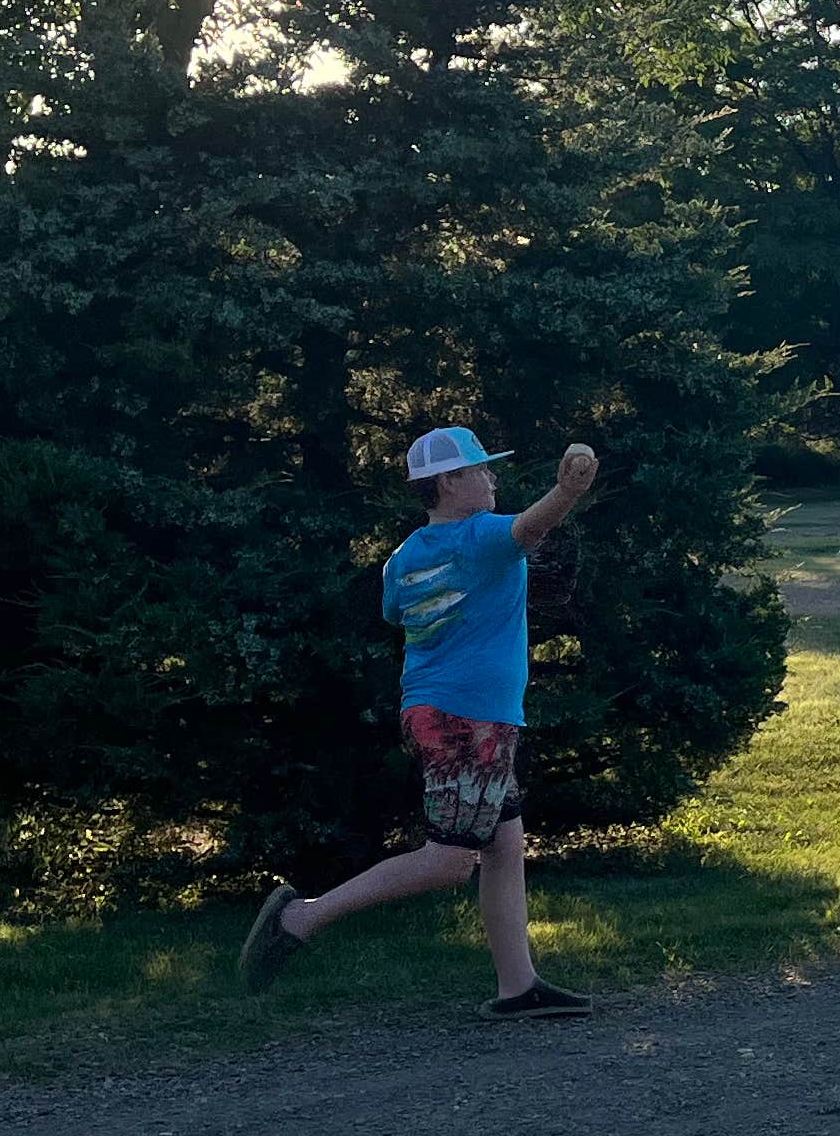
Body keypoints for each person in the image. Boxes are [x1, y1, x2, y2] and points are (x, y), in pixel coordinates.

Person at [239, 425, 601, 1015]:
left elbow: (396, 614)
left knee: (505, 843)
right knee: (448, 860)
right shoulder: (484, 536)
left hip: (435, 712)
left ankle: (518, 986)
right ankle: (299, 919)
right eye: (479, 469)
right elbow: (532, 528)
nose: (490, 477)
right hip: (471, 722)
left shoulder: (404, 557)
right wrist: (569, 490)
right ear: (448, 482)